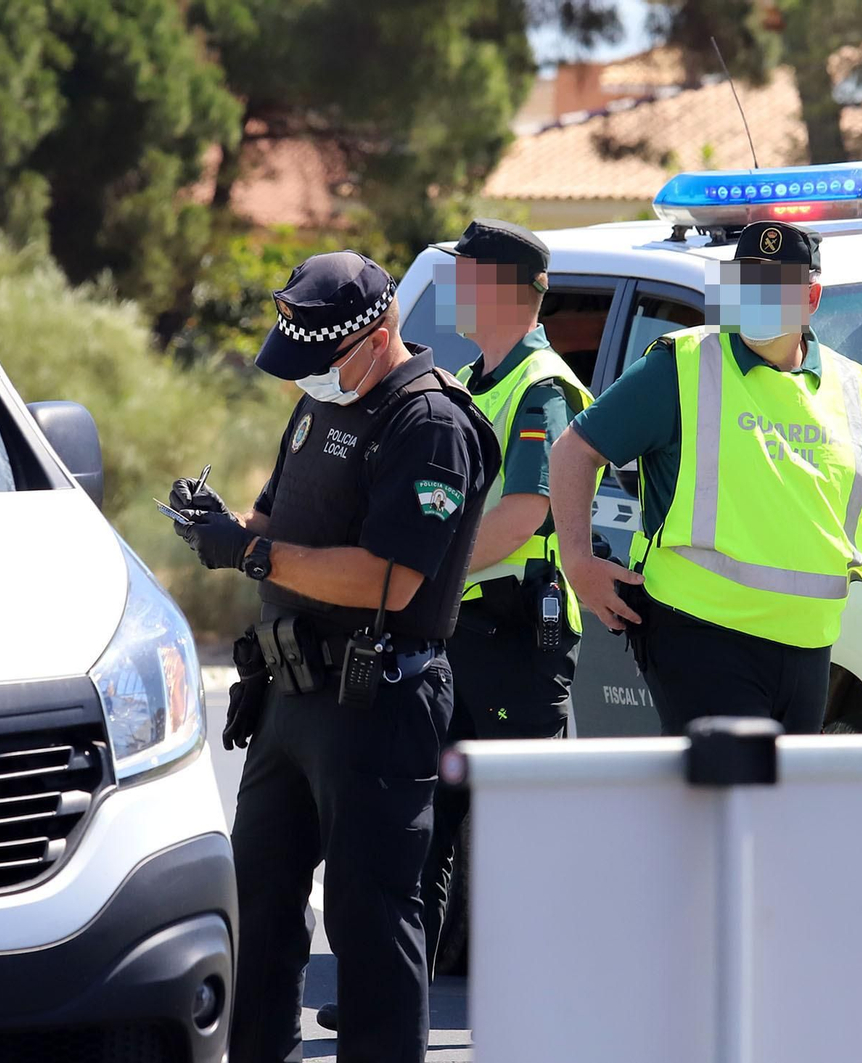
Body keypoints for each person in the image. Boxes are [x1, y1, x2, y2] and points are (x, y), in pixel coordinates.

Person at [169, 251, 498, 1063]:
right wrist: (225, 528)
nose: (307, 379)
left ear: (379, 337)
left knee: (370, 915)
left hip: (377, 696)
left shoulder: (430, 424)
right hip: (291, 692)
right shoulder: (323, 401)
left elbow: (389, 575)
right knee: (258, 900)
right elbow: (279, 521)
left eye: (321, 362)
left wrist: (255, 557)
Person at [315, 221, 595, 1033]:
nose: (454, 291)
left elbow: (525, 510)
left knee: (521, 840)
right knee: (422, 833)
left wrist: (428, 565)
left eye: (467, 277)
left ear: (506, 288)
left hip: (517, 644)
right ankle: (391, 1005)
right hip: (458, 634)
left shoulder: (543, 385)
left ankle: (542, 1017)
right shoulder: (473, 378)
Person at [548, 220, 862, 735]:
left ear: (810, 297)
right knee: (731, 784)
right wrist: (577, 560)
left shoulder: (851, 390)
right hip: (699, 635)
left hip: (810, 648)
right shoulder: (683, 366)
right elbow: (574, 451)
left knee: (782, 789)